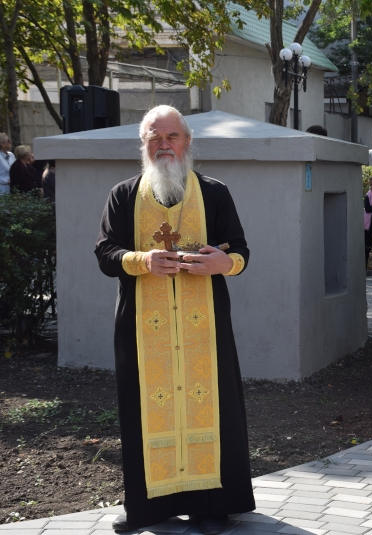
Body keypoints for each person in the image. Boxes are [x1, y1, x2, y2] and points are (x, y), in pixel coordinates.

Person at [94, 105, 255, 534]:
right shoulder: (123, 195)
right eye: (155, 137)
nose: (164, 145)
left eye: (172, 137)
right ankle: (148, 507)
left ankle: (212, 506)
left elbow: (240, 252)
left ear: (187, 142)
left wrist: (223, 263)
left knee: (211, 407)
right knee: (144, 411)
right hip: (143, 332)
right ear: (143, 144)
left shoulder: (215, 193)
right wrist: (142, 259)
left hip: (205, 328)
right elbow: (105, 254)